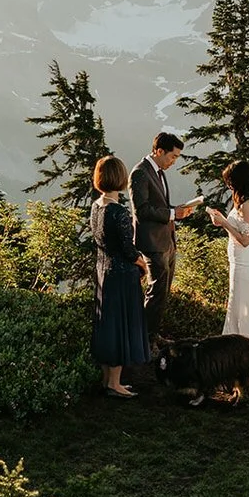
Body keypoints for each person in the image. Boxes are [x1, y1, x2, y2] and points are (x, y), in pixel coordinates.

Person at [89, 155, 151, 398]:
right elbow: (128, 249)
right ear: (121, 178)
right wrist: (142, 263)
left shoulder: (96, 206)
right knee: (120, 327)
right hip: (122, 275)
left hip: (103, 271)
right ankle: (115, 383)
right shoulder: (119, 212)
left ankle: (107, 379)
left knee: (107, 325)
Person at [131, 131, 195, 344]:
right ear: (159, 151)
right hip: (152, 243)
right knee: (156, 290)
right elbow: (142, 210)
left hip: (166, 241)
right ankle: (144, 339)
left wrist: (176, 211)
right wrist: (171, 214)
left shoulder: (159, 172)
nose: (174, 161)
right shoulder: (140, 173)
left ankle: (151, 335)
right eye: (173, 156)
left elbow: (159, 206)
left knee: (162, 291)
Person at [207, 159, 249, 380]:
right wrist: (223, 222)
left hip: (245, 262)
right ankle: (233, 359)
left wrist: (224, 222)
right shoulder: (240, 202)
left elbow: (244, 239)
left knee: (245, 311)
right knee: (235, 307)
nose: (229, 186)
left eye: (231, 182)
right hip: (236, 261)